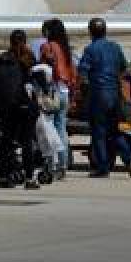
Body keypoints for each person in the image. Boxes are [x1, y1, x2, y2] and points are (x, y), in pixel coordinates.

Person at [78, 17, 131, 178]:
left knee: (99, 133)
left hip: (98, 95)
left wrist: (83, 94)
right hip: (114, 95)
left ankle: (103, 168)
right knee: (115, 132)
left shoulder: (90, 50)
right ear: (105, 31)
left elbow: (83, 74)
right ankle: (130, 160)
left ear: (91, 32)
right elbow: (124, 68)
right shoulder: (115, 47)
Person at [0, 29, 40, 189]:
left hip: (6, 107)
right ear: (24, 42)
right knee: (27, 142)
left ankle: (3, 177)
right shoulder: (27, 58)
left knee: (6, 141)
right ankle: (30, 178)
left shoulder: (0, 58)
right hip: (24, 105)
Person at [38, 18, 75, 178]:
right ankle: (63, 164)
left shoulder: (47, 47)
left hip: (52, 93)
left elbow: (43, 69)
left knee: (49, 129)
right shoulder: (66, 49)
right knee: (61, 129)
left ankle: (52, 164)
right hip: (65, 92)